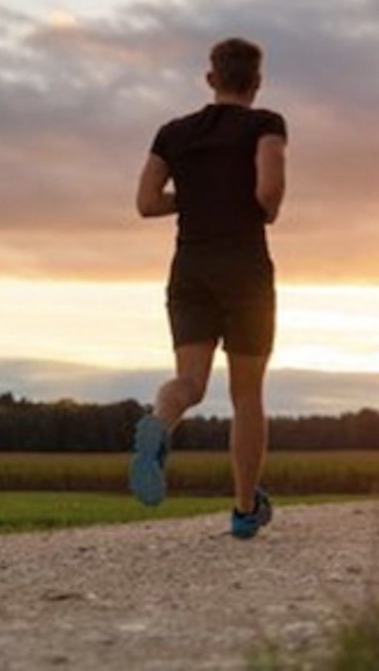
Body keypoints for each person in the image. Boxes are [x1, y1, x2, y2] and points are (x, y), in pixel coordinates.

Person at [128, 37, 287, 540]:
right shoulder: (266, 124)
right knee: (246, 396)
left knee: (190, 384)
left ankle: (161, 420)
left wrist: (196, 195)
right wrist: (262, 208)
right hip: (244, 269)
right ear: (256, 83)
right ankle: (244, 509)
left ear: (211, 78)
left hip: (190, 267)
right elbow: (268, 189)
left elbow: (147, 202)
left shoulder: (173, 133)